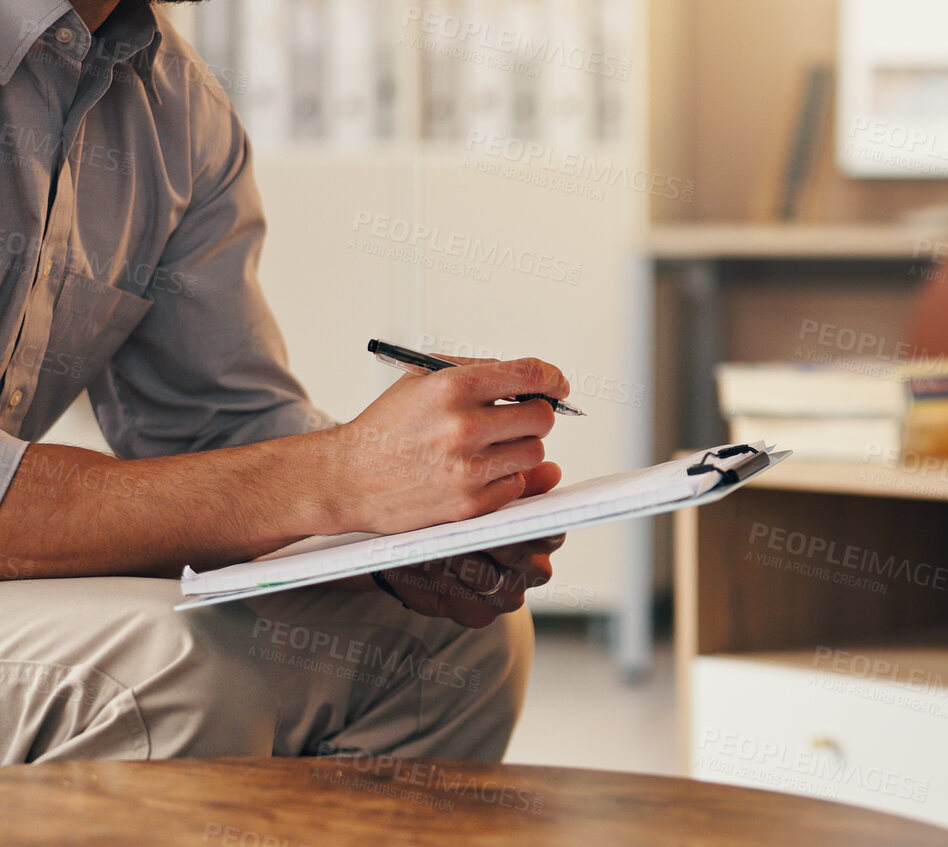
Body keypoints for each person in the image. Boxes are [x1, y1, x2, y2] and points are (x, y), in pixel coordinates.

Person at [0, 0, 568, 762]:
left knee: (455, 649)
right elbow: (285, 479)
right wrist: (336, 477)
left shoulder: (177, 108)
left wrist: (401, 520)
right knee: (172, 670)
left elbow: (217, 424)